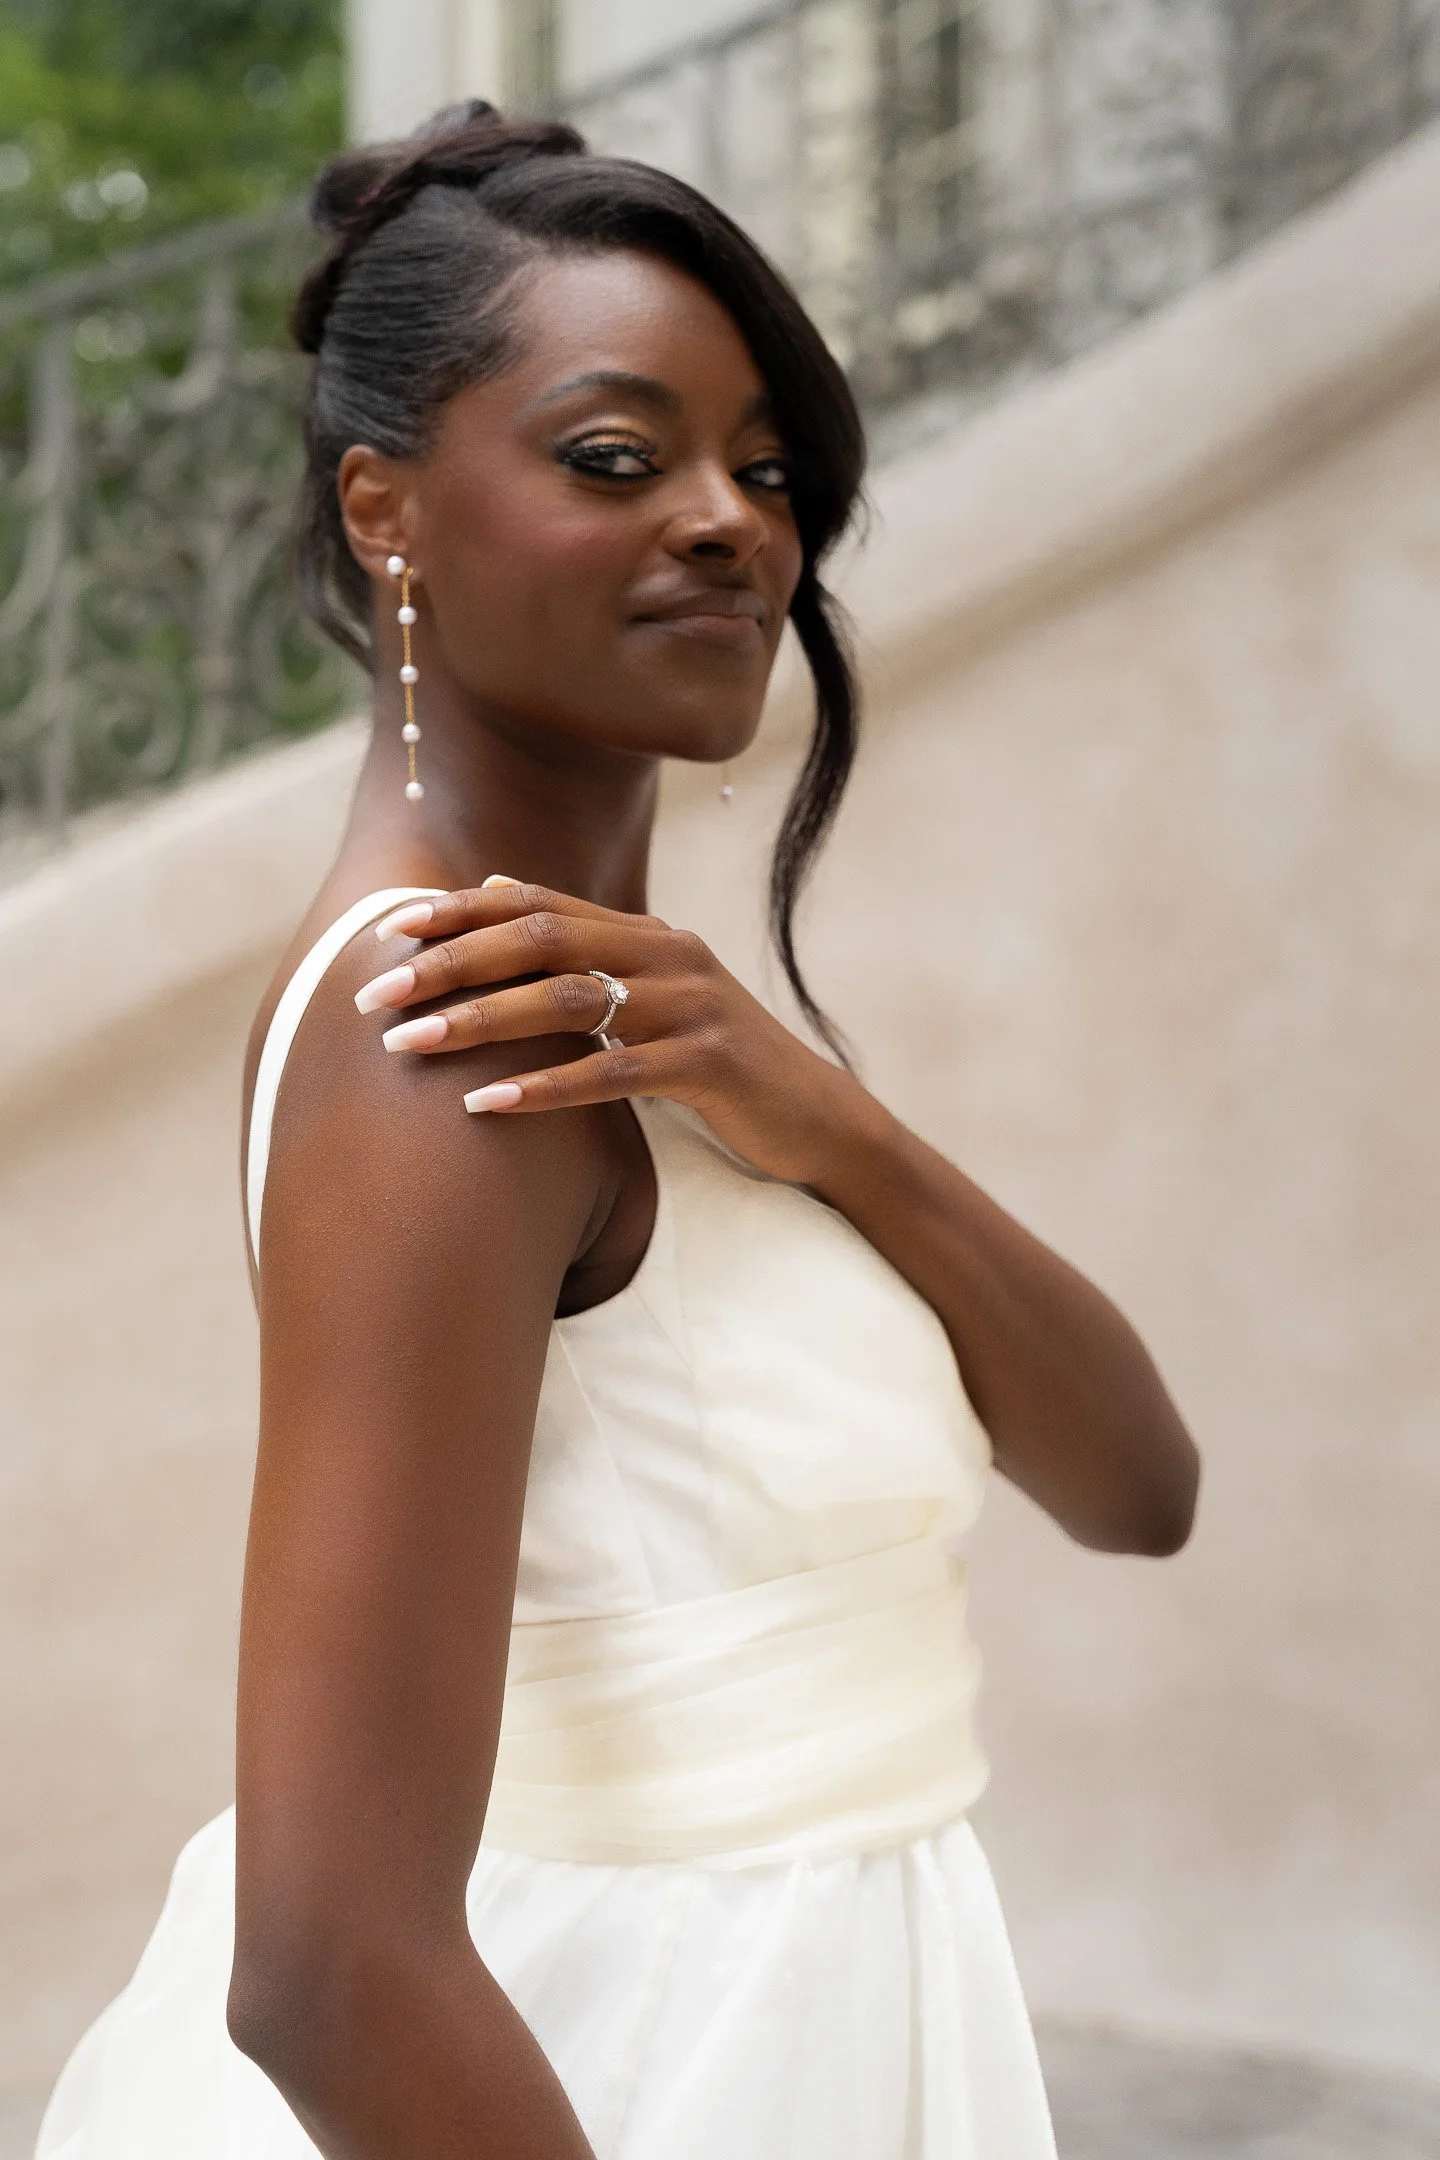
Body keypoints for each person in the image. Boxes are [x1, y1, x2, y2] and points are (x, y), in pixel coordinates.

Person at [35, 103, 1199, 2160]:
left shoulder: (666, 1035)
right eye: (615, 455)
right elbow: (323, 1963)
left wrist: (825, 1117)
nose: (732, 522)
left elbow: (1138, 1483)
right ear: (386, 510)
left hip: (827, 2025)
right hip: (633, 2062)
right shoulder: (444, 1039)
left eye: (767, 469)